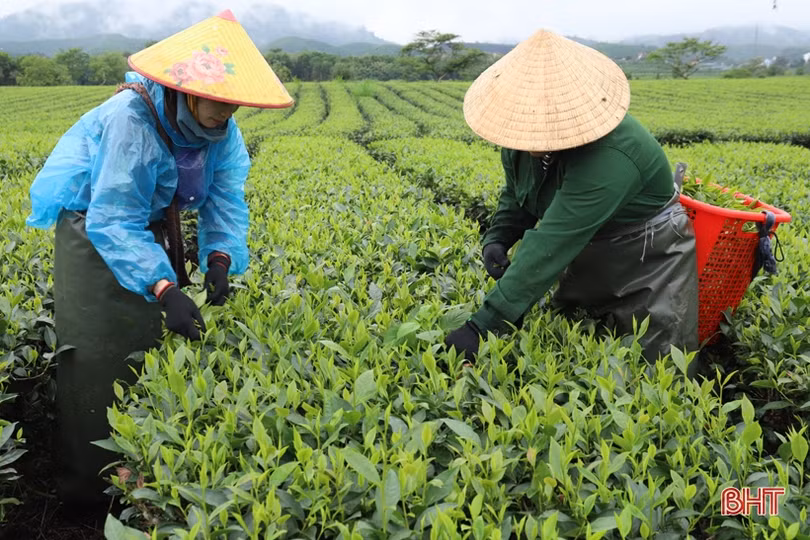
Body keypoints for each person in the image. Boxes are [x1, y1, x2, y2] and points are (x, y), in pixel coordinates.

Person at [25, 10, 293, 506]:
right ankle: (88, 491)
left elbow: (226, 197)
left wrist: (219, 258)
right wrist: (165, 287)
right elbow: (113, 217)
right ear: (187, 89)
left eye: (234, 105)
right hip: (95, 230)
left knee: (147, 353)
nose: (226, 113)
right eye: (218, 103)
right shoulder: (133, 118)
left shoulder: (220, 131)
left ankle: (142, 483)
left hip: (144, 233)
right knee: (99, 361)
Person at [443, 29, 699, 375]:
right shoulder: (521, 137)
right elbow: (518, 191)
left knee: (653, 366)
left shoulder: (611, 155)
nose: (529, 138)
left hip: (647, 258)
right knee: (579, 344)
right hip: (590, 246)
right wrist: (498, 236)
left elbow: (554, 239)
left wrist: (484, 325)